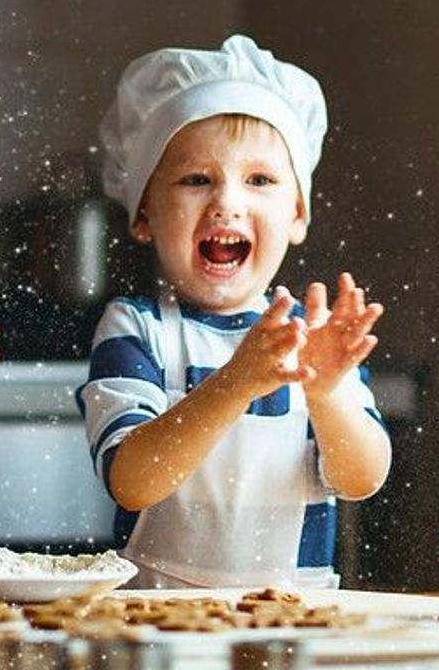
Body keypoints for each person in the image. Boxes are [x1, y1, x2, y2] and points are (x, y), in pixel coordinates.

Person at [80, 35, 391, 589]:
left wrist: (324, 392)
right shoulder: (136, 328)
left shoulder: (314, 340)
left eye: (260, 181)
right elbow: (131, 479)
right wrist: (235, 384)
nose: (227, 202)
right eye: (196, 179)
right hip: (155, 623)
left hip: (292, 625)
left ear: (297, 215)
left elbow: (362, 478)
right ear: (144, 212)